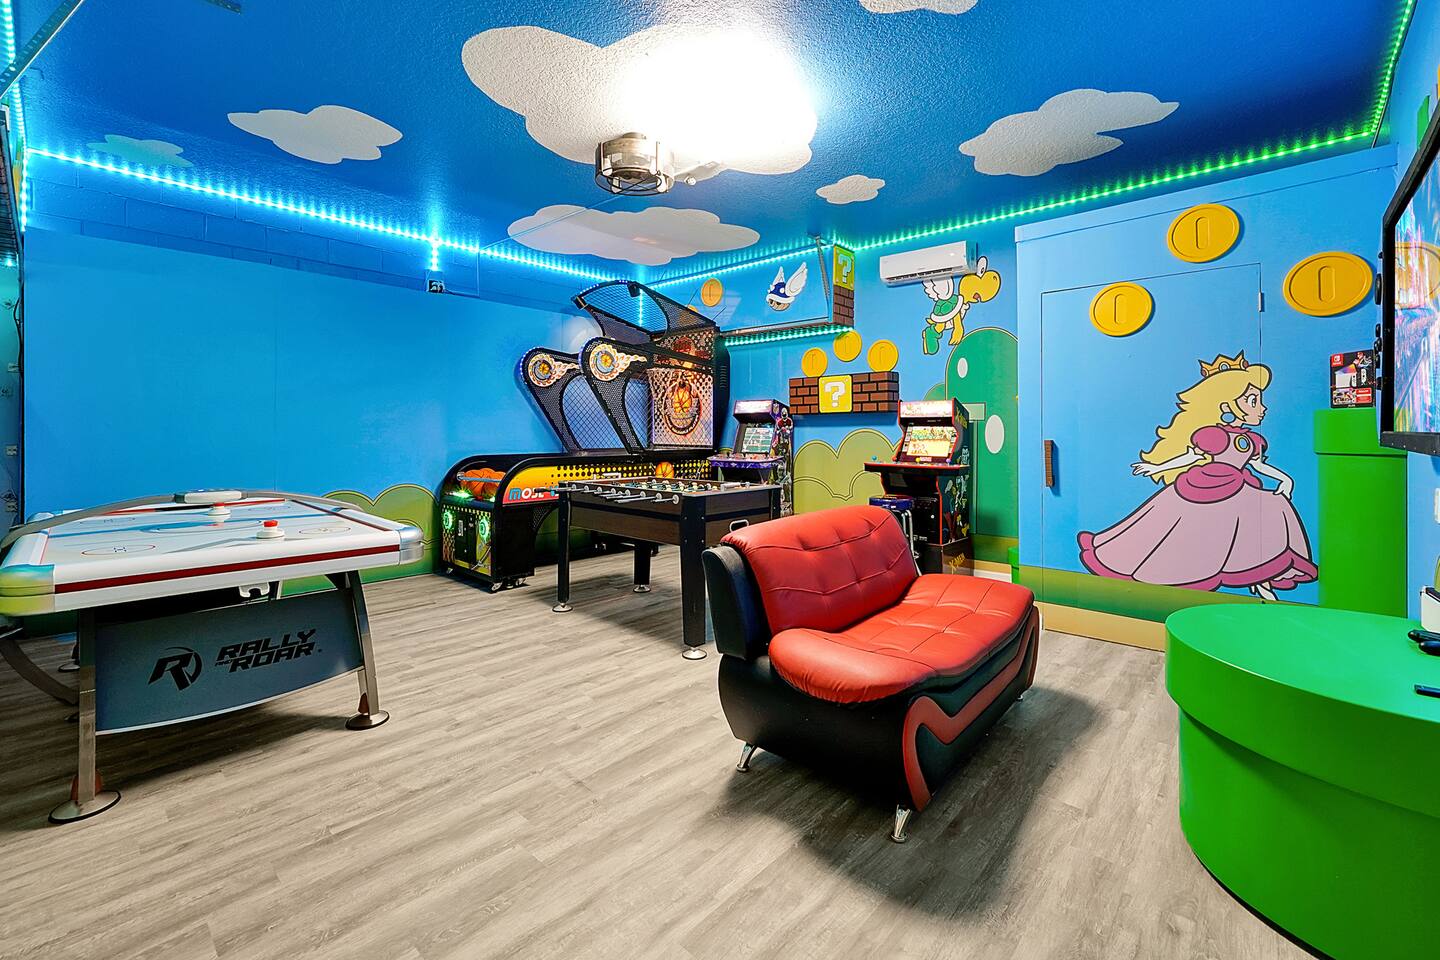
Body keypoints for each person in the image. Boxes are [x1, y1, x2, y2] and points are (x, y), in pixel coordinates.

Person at [1077, 352, 1316, 600]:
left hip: (1240, 492)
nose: (1262, 408)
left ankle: (1262, 584)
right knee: (1179, 534)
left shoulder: (1252, 440)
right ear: (1228, 405)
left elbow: (1258, 466)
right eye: (1252, 400)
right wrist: (1158, 467)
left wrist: (1286, 480)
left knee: (1253, 535)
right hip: (1203, 488)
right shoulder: (1215, 435)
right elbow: (1191, 457)